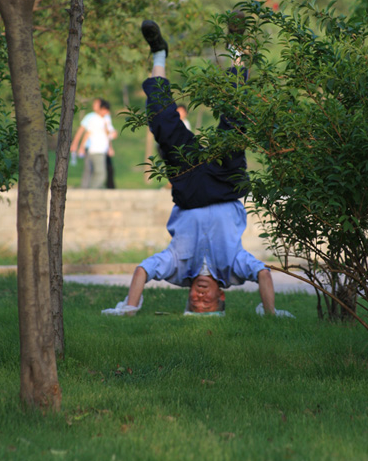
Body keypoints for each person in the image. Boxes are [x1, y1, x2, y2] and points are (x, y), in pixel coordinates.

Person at [103, 18, 293, 317]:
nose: (200, 298)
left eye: (194, 302)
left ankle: (158, 55)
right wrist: (270, 313)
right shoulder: (233, 268)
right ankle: (235, 48)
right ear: (222, 297)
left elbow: (142, 270)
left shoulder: (176, 267)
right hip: (225, 184)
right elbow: (264, 274)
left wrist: (130, 306)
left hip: (189, 186)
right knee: (235, 114)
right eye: (208, 303)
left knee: (163, 123)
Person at [71, 98, 117, 189]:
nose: (94, 106)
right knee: (91, 171)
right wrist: (77, 145)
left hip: (102, 148)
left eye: (97, 104)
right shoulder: (91, 117)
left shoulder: (106, 118)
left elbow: (108, 134)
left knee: (103, 170)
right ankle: (88, 190)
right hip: (92, 147)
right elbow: (83, 132)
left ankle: (93, 189)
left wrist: (110, 147)